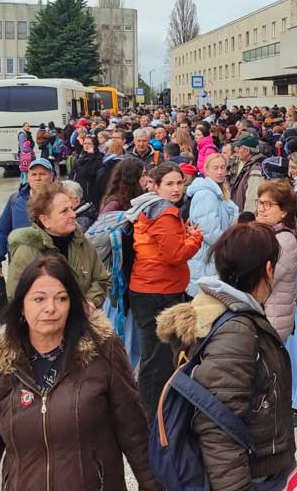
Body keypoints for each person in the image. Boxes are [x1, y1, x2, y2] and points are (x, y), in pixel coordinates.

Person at [0, 254, 159, 491]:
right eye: (39, 299)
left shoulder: (103, 354)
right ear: (22, 305)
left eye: (61, 298)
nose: (50, 308)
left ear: (72, 305)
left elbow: (136, 434)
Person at [154, 223, 296, 490]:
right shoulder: (236, 330)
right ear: (267, 268)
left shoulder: (215, 308)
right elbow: (217, 426)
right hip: (252, 472)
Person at [126, 162, 203, 418]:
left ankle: (150, 408)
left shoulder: (148, 206)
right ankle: (152, 412)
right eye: (169, 184)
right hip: (158, 291)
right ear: (155, 186)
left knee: (154, 355)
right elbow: (175, 255)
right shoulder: (167, 213)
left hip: (148, 288)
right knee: (158, 358)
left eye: (180, 183)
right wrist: (195, 238)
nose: (176, 188)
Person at [5, 183, 110, 309]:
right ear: (45, 220)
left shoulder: (82, 242)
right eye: (64, 211)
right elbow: (16, 297)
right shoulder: (27, 251)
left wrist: (90, 302)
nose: (73, 214)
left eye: (71, 208)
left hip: (81, 323)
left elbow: (101, 279)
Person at [0, 158, 55, 281]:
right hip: (20, 267)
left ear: (51, 176)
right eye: (34, 174)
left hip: (52, 268)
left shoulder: (59, 201)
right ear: (28, 177)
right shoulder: (15, 200)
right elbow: (3, 231)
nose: (37, 178)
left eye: (42, 174)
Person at [185, 152, 239, 295]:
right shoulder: (206, 195)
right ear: (206, 170)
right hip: (205, 260)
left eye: (223, 167)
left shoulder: (218, 191)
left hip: (212, 259)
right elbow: (210, 234)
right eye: (215, 168)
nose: (220, 172)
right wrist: (233, 243)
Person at [255, 180, 297, 342]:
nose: (261, 208)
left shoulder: (284, 241)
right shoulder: (265, 232)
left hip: (271, 324)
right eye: (260, 202)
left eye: (268, 204)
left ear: (284, 212)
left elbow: (262, 284)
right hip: (262, 319)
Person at [228, 135, 265, 213]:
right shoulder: (250, 165)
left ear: (247, 151)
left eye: (239, 147)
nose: (235, 149)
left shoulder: (256, 169)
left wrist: (247, 220)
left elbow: (252, 199)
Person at [72, 135, 104, 207]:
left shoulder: (99, 157)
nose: (86, 146)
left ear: (94, 145)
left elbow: (91, 171)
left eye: (89, 144)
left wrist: (91, 156)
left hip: (89, 190)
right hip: (77, 188)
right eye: (85, 143)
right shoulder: (81, 155)